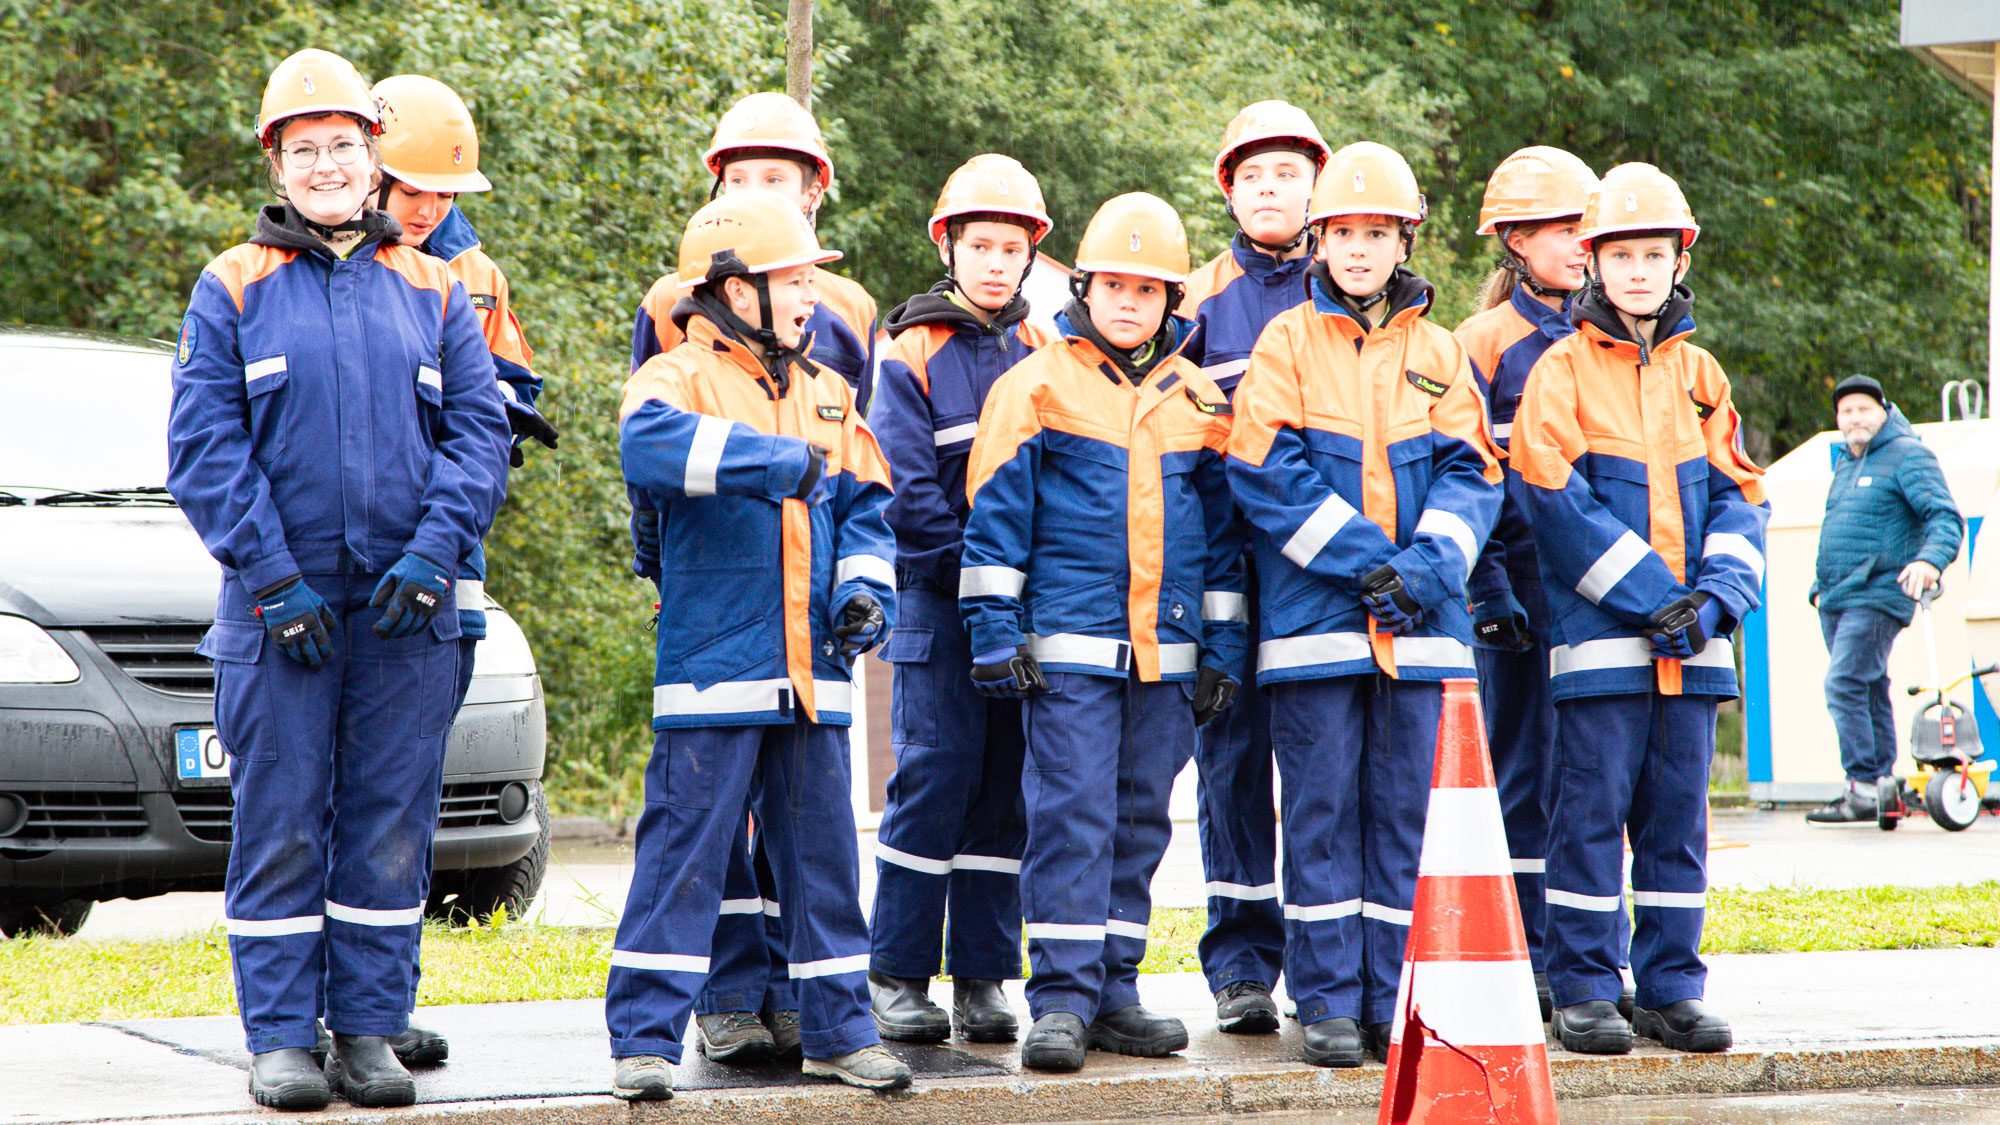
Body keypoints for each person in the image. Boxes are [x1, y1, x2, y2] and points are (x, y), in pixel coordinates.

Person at [166, 48, 510, 1111]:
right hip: (280, 611)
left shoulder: (436, 287)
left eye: (344, 148)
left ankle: (366, 1033)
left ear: (375, 162)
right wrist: (272, 580)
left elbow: (478, 436)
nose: (326, 166)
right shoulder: (231, 287)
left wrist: (431, 555)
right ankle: (279, 1038)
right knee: (280, 822)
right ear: (279, 165)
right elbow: (204, 448)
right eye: (305, 149)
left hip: (406, 609)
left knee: (389, 824)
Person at [607, 188, 907, 1099]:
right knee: (682, 857)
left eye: (813, 278)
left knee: (824, 863)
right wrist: (781, 463)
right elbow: (648, 450)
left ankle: (841, 1031)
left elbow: (869, 508)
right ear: (738, 291)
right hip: (713, 671)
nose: (813, 294)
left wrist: (862, 588)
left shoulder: (829, 391)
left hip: (815, 675)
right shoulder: (676, 375)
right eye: (795, 278)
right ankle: (644, 1043)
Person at [1224, 141, 1502, 1068]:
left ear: (1403, 240)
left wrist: (1421, 571)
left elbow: (1475, 477)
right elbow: (1263, 470)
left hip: (1419, 634)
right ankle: (1329, 1001)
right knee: (1319, 821)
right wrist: (1370, 565)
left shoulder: (1441, 351)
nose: (1357, 248)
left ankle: (1395, 1000)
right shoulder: (1284, 343)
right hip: (1316, 634)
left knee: (1403, 827)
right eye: (1342, 232)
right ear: (1320, 240)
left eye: (1375, 232)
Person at [959, 192, 1245, 1072]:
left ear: (1171, 303)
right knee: (1070, 820)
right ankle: (1061, 999)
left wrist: (1223, 647)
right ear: (1084, 287)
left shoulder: (1199, 397)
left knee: (1137, 823)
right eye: (1114, 285)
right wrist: (993, 631)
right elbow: (994, 522)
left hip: (1165, 659)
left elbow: (1224, 545)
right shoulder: (1035, 385)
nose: (1129, 302)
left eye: (1148, 289)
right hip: (1070, 658)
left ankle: (1115, 991)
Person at [1511, 162, 1768, 1056]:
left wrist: (1717, 599)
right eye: (1619, 254)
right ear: (1591, 263)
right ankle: (1586, 986)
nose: (1636, 270)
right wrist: (1660, 600)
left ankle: (1669, 988)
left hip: (1693, 648)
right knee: (1585, 822)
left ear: (1677, 258)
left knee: (1677, 830)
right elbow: (1552, 498)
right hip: (1604, 651)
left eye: (1651, 253)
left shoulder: (1701, 374)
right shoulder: (1560, 371)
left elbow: (1742, 494)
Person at [864, 154, 1054, 1044]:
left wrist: (1017, 597)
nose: (994, 261)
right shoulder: (907, 354)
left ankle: (982, 976)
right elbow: (908, 494)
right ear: (948, 245)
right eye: (980, 243)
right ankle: (898, 972)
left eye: (1010, 247)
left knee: (1003, 793)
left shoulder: (1043, 354)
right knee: (934, 779)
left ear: (1029, 258)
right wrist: (976, 584)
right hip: (936, 606)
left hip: (1020, 612)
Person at [1452, 145, 1634, 1021]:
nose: (1578, 243)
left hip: (1604, 597)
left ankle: (1589, 959)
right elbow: (1465, 476)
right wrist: (1490, 591)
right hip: (1520, 601)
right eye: (1564, 228)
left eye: (1584, 228)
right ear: (1515, 241)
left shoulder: (1611, 340)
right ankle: (1527, 954)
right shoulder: (1479, 345)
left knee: (1594, 783)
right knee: (1523, 775)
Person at [1176, 100, 1330, 1035]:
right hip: (1227, 572)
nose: (1271, 190)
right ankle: (1239, 965)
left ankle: (1325, 968)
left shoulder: (1351, 283)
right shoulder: (1191, 303)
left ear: (1315, 184)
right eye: (1254, 176)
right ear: (1229, 189)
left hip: (1322, 576)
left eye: (1288, 174)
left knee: (1323, 775)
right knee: (1229, 765)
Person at [1806, 374, 1963, 824]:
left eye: (1863, 409)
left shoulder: (1908, 454)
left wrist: (1930, 561)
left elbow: (1944, 517)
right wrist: (1820, 587)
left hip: (1879, 593)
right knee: (1868, 687)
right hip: (1836, 596)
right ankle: (1881, 791)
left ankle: (1859, 788)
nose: (1854, 417)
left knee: (1843, 682)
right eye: (1846, 411)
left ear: (1883, 411)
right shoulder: (1845, 461)